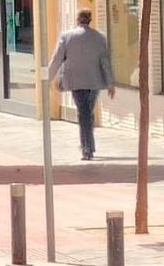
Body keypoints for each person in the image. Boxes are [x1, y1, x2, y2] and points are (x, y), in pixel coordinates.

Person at [48, 8, 117, 161]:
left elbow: (57, 59)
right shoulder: (100, 37)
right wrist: (110, 83)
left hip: (75, 81)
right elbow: (105, 62)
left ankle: (87, 148)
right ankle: (88, 145)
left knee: (83, 113)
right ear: (90, 20)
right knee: (87, 112)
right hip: (94, 81)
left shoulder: (67, 37)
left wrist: (48, 77)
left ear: (78, 19)